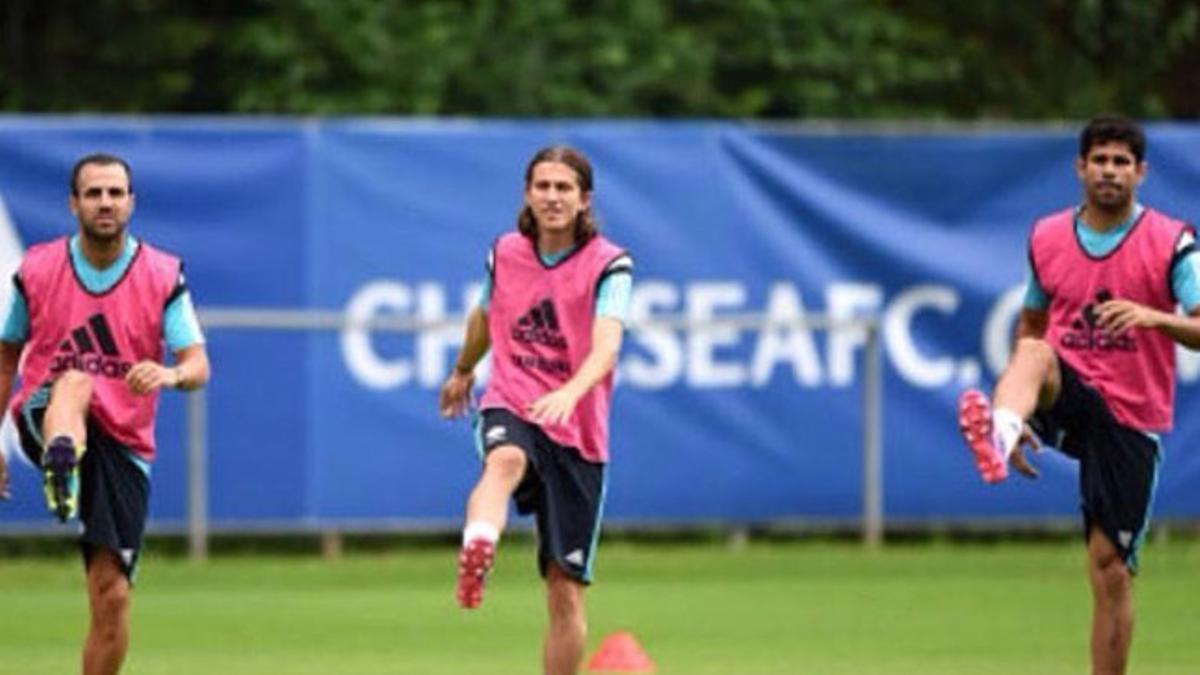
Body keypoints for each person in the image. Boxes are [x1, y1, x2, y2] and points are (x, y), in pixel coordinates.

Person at [956, 115, 1200, 675]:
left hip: (1130, 417)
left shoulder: (1171, 241)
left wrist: (1152, 317)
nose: (1109, 171)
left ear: (1141, 172)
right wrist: (1014, 408)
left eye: (1121, 162)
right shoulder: (1046, 237)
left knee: (1110, 568)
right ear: (1080, 167)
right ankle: (1002, 428)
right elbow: (1031, 329)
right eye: (1100, 160)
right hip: (1070, 386)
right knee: (1038, 354)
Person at [0, 153, 210, 675]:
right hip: (47, 414)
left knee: (111, 598)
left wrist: (168, 374)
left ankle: (67, 466)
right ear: (73, 203)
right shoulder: (39, 270)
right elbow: (7, 356)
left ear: (131, 202)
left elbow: (198, 364)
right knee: (74, 383)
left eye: (115, 193)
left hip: (123, 443)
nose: (105, 203)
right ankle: (62, 459)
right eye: (93, 193)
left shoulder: (162, 274)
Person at [439, 145, 633, 675]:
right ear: (527, 193)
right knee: (504, 459)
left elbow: (608, 345)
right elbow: (484, 315)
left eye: (563, 188)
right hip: (515, 399)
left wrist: (572, 392)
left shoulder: (610, 265)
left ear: (584, 199)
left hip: (578, 432)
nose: (552, 197)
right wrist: (462, 370)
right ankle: (478, 545)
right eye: (543, 186)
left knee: (565, 596)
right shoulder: (504, 252)